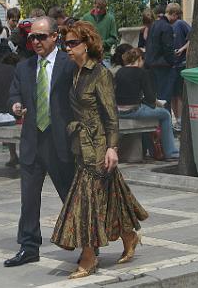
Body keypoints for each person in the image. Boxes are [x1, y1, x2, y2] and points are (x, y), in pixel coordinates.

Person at [50, 21, 149, 279]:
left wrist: (112, 147)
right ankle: (128, 235)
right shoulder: (74, 72)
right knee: (112, 196)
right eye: (65, 44)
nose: (67, 49)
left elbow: (111, 115)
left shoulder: (100, 74)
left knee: (85, 203)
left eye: (72, 43)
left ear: (87, 44)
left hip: (98, 146)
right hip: (80, 145)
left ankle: (89, 256)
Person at [4, 16, 76, 267]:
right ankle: (29, 246)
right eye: (32, 37)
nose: (35, 41)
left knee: (70, 195)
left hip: (60, 142)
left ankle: (89, 243)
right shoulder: (23, 67)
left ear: (55, 36)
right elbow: (14, 93)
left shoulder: (69, 64)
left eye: (41, 36)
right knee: (29, 199)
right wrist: (15, 105)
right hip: (33, 141)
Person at [116, 48, 179, 159]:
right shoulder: (141, 73)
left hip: (119, 111)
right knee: (165, 114)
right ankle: (170, 152)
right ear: (139, 59)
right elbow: (150, 98)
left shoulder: (119, 72)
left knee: (146, 114)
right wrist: (158, 103)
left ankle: (149, 149)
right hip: (133, 111)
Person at [145, 3, 178, 112]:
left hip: (151, 65)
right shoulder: (167, 27)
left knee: (156, 99)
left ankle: (158, 126)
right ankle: (166, 126)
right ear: (174, 14)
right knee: (164, 99)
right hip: (163, 67)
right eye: (177, 16)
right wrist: (172, 62)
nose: (177, 19)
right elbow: (168, 48)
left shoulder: (153, 25)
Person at [170, 4, 191, 132]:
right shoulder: (168, 26)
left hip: (180, 63)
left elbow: (191, 37)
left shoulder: (181, 24)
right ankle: (177, 119)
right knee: (173, 94)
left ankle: (181, 120)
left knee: (179, 94)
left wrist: (183, 49)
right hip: (171, 64)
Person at [82, 0, 118, 67]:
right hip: (88, 56)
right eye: (97, 7)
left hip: (104, 57)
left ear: (105, 7)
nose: (98, 10)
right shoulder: (86, 17)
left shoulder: (110, 19)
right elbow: (81, 34)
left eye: (101, 8)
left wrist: (101, 43)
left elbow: (113, 38)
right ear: (94, 5)